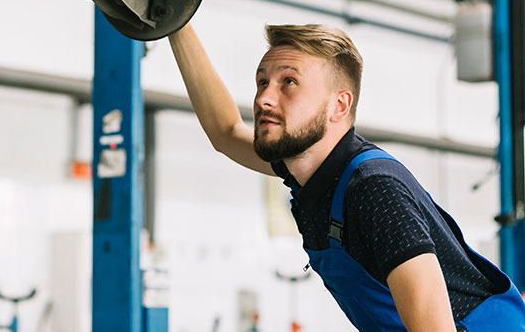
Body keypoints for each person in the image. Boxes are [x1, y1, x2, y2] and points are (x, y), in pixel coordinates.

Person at [168, 23, 525, 332]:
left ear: (339, 105)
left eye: (288, 82)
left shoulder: (374, 191)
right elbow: (226, 133)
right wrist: (176, 24)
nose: (264, 98)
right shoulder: (313, 172)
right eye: (263, 81)